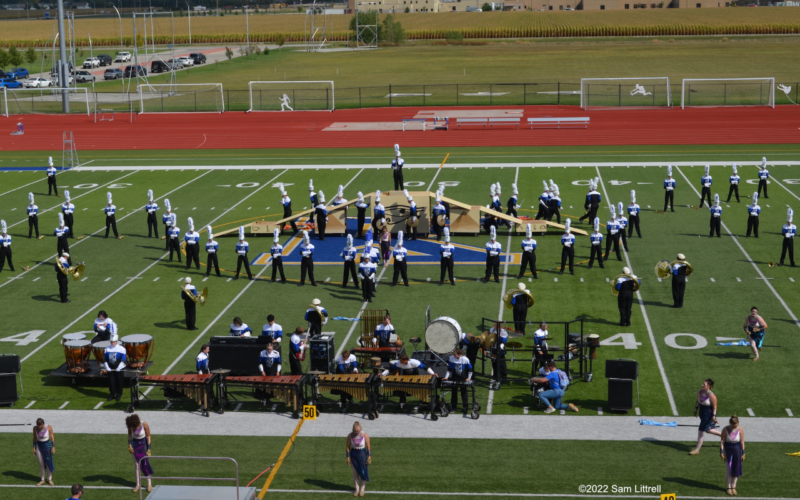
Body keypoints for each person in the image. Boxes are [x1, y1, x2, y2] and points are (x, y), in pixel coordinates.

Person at [689, 379, 721, 455]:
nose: (702, 385)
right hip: (702, 413)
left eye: (704, 384)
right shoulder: (699, 391)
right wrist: (696, 409)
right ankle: (725, 436)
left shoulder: (711, 395)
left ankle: (697, 450)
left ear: (709, 386)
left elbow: (715, 407)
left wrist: (714, 416)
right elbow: (698, 401)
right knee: (709, 430)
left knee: (701, 430)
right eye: (702, 384)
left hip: (708, 414)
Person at [126, 414, 154, 493]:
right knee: (137, 465)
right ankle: (137, 484)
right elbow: (129, 435)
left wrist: (149, 448)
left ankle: (149, 484)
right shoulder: (130, 425)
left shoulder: (144, 424)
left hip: (143, 444)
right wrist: (129, 445)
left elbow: (148, 436)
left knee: (145, 464)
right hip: (135, 445)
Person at [720, 415, 745, 496]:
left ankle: (733, 486)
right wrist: (721, 452)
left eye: (736, 425)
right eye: (733, 425)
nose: (734, 427)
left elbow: (742, 441)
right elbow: (722, 441)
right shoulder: (726, 429)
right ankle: (728, 487)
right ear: (730, 423)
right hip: (728, 449)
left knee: (736, 469)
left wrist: (743, 453)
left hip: (737, 449)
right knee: (728, 469)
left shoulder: (740, 429)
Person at [443, 348, 473, 415]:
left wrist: (469, 378)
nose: (454, 356)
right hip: (455, 377)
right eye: (453, 354)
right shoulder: (451, 358)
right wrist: (446, 377)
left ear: (459, 354)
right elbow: (449, 369)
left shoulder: (465, 359)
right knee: (454, 393)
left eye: (455, 355)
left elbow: (470, 369)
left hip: (463, 378)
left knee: (463, 392)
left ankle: (465, 407)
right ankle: (453, 407)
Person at [346, 422, 371, 498]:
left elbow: (368, 446)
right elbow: (347, 446)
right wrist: (347, 457)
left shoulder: (364, 435)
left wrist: (369, 456)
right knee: (355, 473)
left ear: (361, 429)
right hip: (354, 455)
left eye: (358, 431)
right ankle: (357, 489)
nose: (357, 433)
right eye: (355, 431)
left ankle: (362, 490)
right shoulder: (350, 435)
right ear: (353, 430)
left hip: (362, 454)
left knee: (362, 472)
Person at [32, 418, 55, 486]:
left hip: (47, 446)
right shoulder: (35, 428)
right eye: (39, 426)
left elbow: (52, 437)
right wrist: (34, 448)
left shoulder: (48, 427)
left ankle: (50, 479)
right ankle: (43, 479)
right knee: (41, 463)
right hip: (39, 446)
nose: (40, 427)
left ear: (43, 423)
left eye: (41, 425)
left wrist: (53, 447)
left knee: (48, 463)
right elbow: (34, 438)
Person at [104, 334, 126, 401]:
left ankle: (119, 395)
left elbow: (123, 360)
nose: (113, 343)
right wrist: (107, 367)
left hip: (119, 368)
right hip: (111, 368)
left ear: (116, 341)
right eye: (111, 342)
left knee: (119, 381)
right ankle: (112, 394)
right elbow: (105, 360)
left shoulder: (122, 349)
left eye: (114, 341)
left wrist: (119, 367)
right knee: (111, 382)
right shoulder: (107, 349)